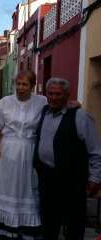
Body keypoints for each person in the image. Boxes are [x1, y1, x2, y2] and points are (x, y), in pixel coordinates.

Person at [35, 78, 101, 240]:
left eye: (58, 94)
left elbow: (95, 151)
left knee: (73, 226)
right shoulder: (44, 111)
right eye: (50, 94)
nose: (54, 97)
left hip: (72, 181)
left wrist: (95, 178)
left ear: (67, 95)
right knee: (49, 224)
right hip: (48, 179)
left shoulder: (80, 116)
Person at [0, 71, 47, 239]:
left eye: (25, 84)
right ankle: (5, 229)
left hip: (30, 150)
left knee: (28, 188)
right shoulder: (4, 103)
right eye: (18, 84)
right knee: (7, 186)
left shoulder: (42, 101)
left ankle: (26, 228)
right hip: (8, 150)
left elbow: (57, 107)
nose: (21, 87)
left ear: (32, 86)